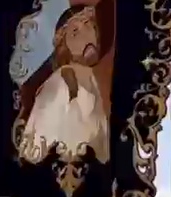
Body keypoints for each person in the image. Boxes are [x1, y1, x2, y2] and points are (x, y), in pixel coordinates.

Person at [21, 2, 111, 162]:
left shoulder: (90, 80)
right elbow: (38, 145)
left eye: (90, 27)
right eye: (75, 32)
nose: (87, 36)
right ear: (64, 45)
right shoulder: (60, 82)